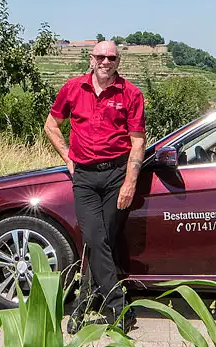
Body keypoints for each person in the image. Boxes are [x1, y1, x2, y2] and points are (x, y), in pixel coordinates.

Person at [43, 40, 146, 327]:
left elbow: (138, 143)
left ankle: (82, 304)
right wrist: (67, 157)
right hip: (84, 177)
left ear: (118, 62)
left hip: (116, 176)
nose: (105, 61)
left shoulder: (131, 94)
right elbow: (51, 125)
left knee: (103, 243)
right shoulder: (73, 88)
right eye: (100, 56)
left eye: (111, 57)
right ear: (91, 59)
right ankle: (118, 308)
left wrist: (129, 183)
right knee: (95, 238)